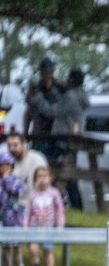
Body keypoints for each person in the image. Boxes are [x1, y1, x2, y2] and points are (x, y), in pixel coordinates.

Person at [28, 67, 87, 210]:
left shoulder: (71, 97)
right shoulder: (79, 95)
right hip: (68, 141)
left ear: (72, 80)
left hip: (65, 141)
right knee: (68, 173)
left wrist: (37, 98)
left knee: (40, 158)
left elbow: (51, 112)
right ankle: (75, 205)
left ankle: (63, 203)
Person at [23, 166, 64, 266]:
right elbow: (28, 211)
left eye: (45, 176)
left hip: (48, 226)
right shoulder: (32, 194)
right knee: (33, 248)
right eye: (39, 176)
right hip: (34, 226)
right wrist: (25, 226)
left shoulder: (54, 193)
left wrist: (60, 226)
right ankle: (35, 265)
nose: (42, 179)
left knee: (48, 249)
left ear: (50, 178)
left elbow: (59, 210)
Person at [24, 57, 63, 156]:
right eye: (43, 72)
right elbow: (28, 113)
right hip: (38, 134)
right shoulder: (35, 88)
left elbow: (55, 112)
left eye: (48, 72)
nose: (45, 75)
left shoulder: (58, 89)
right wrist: (26, 132)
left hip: (55, 135)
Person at [6, 133, 48, 207]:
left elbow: (44, 186)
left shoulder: (37, 158)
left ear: (24, 144)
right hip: (15, 205)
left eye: (15, 145)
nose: (11, 149)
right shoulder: (8, 162)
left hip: (36, 205)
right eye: (9, 145)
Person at [0, 153, 26, 266]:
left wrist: (6, 178)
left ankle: (20, 264)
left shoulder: (16, 180)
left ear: (11, 166)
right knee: (4, 243)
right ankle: (8, 265)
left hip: (13, 214)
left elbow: (16, 191)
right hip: (2, 216)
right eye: (2, 165)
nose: (4, 167)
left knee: (17, 242)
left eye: (7, 165)